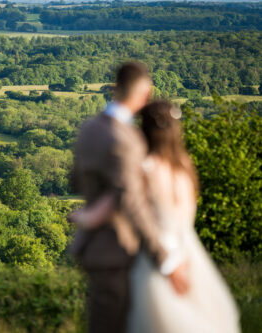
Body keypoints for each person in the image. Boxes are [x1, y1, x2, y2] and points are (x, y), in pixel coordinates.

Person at [71, 100, 240, 333]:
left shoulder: (144, 168)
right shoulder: (184, 168)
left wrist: (87, 217)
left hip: (156, 256)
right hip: (188, 254)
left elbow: (121, 199)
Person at [69, 62, 188, 333]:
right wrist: (165, 259)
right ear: (144, 93)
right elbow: (131, 202)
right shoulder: (125, 139)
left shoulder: (88, 129)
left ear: (115, 88)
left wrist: (93, 211)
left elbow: (75, 180)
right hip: (117, 249)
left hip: (95, 247)